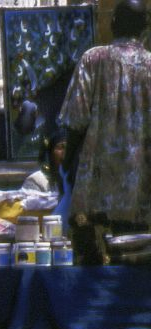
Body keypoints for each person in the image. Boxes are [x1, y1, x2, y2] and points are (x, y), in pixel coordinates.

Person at [59, 0, 151, 265]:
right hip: (142, 193)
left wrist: (65, 167)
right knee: (139, 270)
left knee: (94, 266)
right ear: (145, 27)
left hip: (97, 193)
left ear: (112, 24)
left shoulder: (93, 59)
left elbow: (75, 121)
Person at [22, 127, 68, 196]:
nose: (65, 152)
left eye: (69, 148)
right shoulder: (36, 181)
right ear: (50, 153)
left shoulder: (78, 179)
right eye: (60, 147)